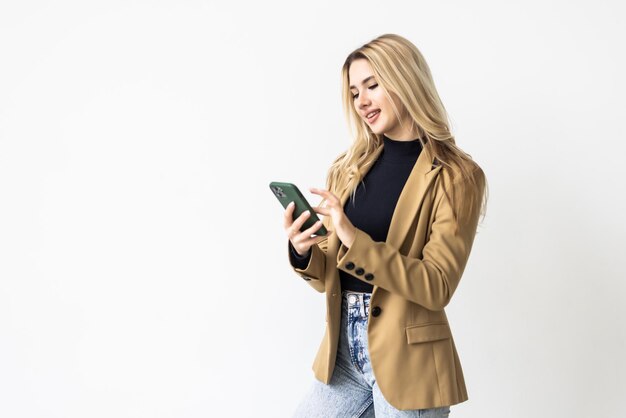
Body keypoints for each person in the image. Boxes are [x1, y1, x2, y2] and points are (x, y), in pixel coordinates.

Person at [283, 33, 488, 417]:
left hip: (408, 360)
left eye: (372, 86)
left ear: (405, 80)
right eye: (354, 92)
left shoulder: (456, 176)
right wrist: (304, 251)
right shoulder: (347, 168)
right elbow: (331, 270)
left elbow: (437, 285)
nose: (361, 101)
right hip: (343, 354)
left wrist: (353, 239)